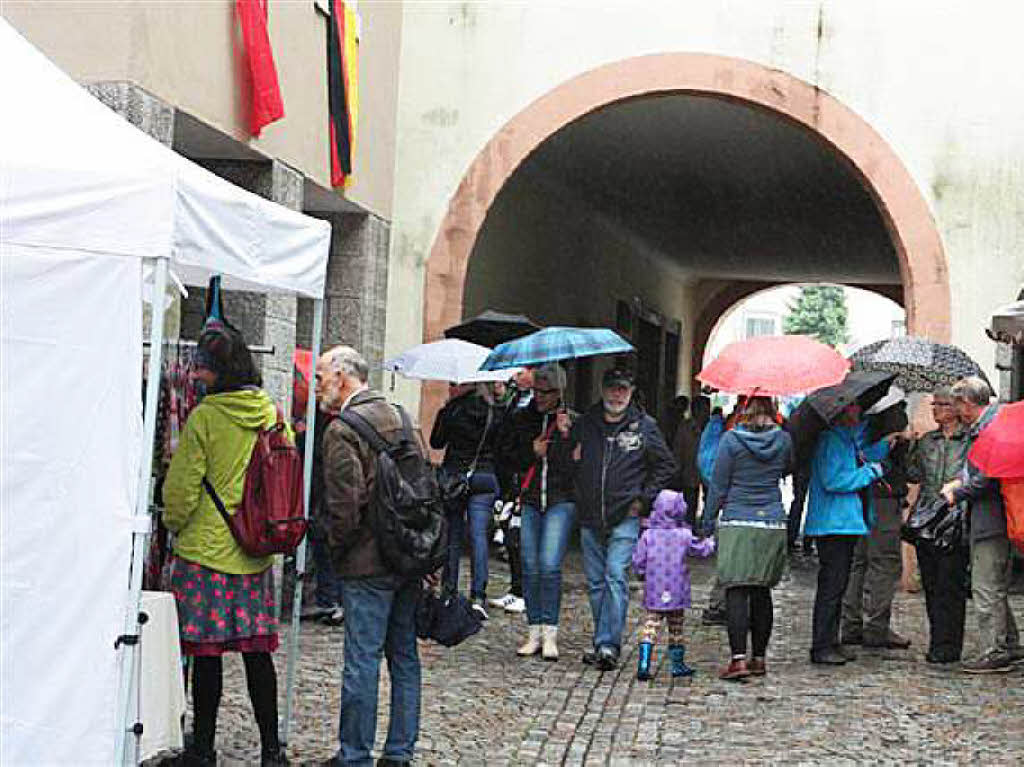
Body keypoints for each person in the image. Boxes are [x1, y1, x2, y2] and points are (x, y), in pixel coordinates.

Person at [163, 322, 288, 766]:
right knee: (257, 654)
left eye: (203, 368)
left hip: (206, 554)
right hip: (254, 553)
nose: (196, 375)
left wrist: (172, 523)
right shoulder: (272, 414)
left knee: (207, 656)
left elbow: (181, 491)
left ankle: (203, 749)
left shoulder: (206, 419)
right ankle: (272, 751)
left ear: (221, 372)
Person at [317, 345, 424, 766]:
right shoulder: (402, 417)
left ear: (344, 376)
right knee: (403, 657)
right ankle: (399, 753)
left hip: (366, 563)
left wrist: (336, 552)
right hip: (406, 557)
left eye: (322, 376)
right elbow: (421, 486)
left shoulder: (342, 430)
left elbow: (345, 506)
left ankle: (355, 755)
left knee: (361, 661)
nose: (318, 385)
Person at [575, 367, 677, 671]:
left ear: (631, 391)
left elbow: (666, 465)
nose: (617, 394)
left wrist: (642, 499)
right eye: (612, 388)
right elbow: (569, 459)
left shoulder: (644, 427)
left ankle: (609, 644)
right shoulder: (586, 423)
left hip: (625, 514)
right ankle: (601, 639)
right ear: (603, 389)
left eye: (623, 389)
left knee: (615, 576)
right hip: (590, 513)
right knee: (595, 582)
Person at [701, 396, 793, 680]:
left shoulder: (730, 441)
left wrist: (706, 521)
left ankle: (738, 660)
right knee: (762, 589)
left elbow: (719, 483)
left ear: (743, 410)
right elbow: (788, 469)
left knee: (737, 589)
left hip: (738, 518)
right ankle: (760, 659)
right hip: (772, 521)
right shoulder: (784, 440)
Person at [943, 376, 1023, 673]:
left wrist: (958, 491)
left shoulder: (992, 428)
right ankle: (1010, 645)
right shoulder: (993, 424)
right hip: (995, 517)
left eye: (957, 405)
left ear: (966, 404)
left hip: (991, 520)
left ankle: (994, 650)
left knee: (986, 585)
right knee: (996, 585)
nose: (957, 413)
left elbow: (987, 478)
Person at [501, 363, 579, 660]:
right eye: (536, 391)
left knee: (549, 565)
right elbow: (507, 457)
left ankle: (550, 632)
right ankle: (533, 630)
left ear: (558, 392)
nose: (539, 397)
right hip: (531, 498)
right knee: (530, 565)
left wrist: (564, 439)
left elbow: (576, 467)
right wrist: (531, 452)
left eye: (545, 392)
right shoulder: (522, 419)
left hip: (560, 500)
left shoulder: (572, 421)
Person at [804, 402, 890, 666]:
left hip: (845, 523)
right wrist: (871, 472)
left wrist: (884, 448)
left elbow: (860, 457)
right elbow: (834, 480)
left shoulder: (846, 440)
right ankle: (821, 645)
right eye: (854, 408)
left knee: (839, 586)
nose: (858, 412)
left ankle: (831, 640)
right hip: (833, 524)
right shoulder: (831, 441)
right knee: (831, 586)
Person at [840, 392, 913, 650]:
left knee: (857, 561)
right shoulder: (892, 414)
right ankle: (876, 627)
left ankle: (850, 624)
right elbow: (897, 462)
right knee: (884, 563)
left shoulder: (857, 410)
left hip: (857, 496)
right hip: (882, 497)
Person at [906, 386, 970, 663]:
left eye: (942, 404)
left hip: (956, 516)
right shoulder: (927, 441)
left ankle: (949, 644)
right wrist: (910, 446)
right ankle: (937, 640)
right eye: (934, 405)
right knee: (931, 581)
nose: (936, 409)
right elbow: (913, 473)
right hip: (927, 516)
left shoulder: (969, 440)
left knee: (951, 582)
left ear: (956, 408)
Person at [430, 381, 505, 620]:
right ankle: (478, 595)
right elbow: (501, 447)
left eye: (453, 384)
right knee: (478, 536)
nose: (450, 387)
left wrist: (444, 411)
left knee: (452, 534)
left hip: (455, 477)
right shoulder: (492, 410)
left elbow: (436, 442)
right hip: (484, 475)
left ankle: (449, 591)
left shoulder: (453, 410)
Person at [632, 490, 716, 680]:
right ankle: (677, 664)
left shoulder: (648, 535)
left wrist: (642, 574)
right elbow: (699, 550)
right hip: (677, 589)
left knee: (651, 624)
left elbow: (639, 560)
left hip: (655, 588)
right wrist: (710, 543)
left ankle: (644, 663)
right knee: (676, 626)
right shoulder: (684, 535)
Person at [297, 403, 345, 626]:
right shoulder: (340, 427)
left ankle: (329, 600)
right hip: (329, 496)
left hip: (322, 497)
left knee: (324, 550)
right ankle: (332, 599)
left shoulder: (321, 434)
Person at [698, 406, 729, 626]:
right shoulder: (724, 432)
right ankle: (719, 605)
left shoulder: (721, 430)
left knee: (729, 562)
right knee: (730, 562)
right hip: (734, 507)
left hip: (729, 505)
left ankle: (720, 605)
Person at [670, 395, 701, 527]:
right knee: (689, 504)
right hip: (690, 472)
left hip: (706, 473)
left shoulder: (712, 427)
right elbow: (678, 449)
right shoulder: (685, 427)